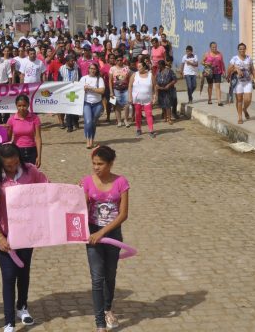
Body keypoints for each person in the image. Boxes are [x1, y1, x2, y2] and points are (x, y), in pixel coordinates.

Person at [0, 143, 49, 332]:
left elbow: (48, 190)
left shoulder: (31, 171)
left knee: (23, 272)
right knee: (8, 276)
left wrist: (74, 192)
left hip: (27, 232)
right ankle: (9, 321)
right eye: (8, 165)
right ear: (0, 163)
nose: (13, 167)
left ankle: (22, 306)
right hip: (4, 234)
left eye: (16, 163)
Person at [81, 146, 129, 332]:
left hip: (113, 235)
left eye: (100, 164)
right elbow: (80, 207)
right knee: (97, 278)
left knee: (110, 275)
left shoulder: (121, 182)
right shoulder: (87, 181)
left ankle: (108, 308)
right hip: (92, 234)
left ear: (110, 164)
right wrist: (76, 195)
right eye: (94, 163)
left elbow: (123, 214)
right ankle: (100, 322)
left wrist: (102, 233)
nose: (96, 167)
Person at [226, 43, 255, 124]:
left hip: (247, 81)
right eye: (240, 49)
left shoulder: (249, 58)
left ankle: (244, 109)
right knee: (239, 99)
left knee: (248, 99)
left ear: (245, 49)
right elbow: (229, 70)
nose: (242, 50)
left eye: (243, 48)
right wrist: (235, 69)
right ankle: (240, 117)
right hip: (238, 82)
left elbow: (252, 70)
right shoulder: (234, 59)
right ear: (238, 50)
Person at [5, 94, 42, 167]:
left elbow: (38, 138)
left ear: (28, 105)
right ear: (16, 106)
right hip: (16, 151)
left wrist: (39, 156)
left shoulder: (35, 118)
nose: (22, 108)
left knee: (31, 173)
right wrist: (3, 129)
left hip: (32, 151)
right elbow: (8, 139)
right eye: (19, 106)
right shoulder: (11, 119)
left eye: (24, 105)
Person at [128, 58, 157, 138]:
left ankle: (151, 130)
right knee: (138, 114)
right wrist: (130, 96)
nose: (138, 68)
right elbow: (130, 85)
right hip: (137, 99)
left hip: (147, 99)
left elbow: (155, 86)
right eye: (137, 66)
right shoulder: (134, 75)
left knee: (149, 114)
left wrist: (155, 96)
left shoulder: (150, 75)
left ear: (144, 67)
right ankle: (138, 129)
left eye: (140, 66)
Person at [80, 63, 106, 149]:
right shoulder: (83, 78)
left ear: (97, 70)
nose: (92, 70)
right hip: (86, 103)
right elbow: (78, 90)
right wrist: (83, 89)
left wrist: (90, 88)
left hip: (97, 103)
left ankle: (92, 139)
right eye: (91, 68)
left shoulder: (100, 79)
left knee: (93, 122)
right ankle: (88, 140)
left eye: (94, 69)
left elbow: (102, 91)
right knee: (88, 122)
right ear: (88, 69)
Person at [59, 54, 81, 132]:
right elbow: (59, 80)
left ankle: (75, 121)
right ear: (67, 61)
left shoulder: (77, 68)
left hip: (74, 91)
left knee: (74, 108)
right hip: (65, 91)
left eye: (74, 61)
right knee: (68, 108)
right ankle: (69, 126)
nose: (73, 62)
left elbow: (80, 78)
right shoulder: (61, 68)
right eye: (71, 61)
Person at [108, 55, 131, 128]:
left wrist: (130, 89)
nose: (119, 61)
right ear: (115, 61)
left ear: (123, 60)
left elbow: (130, 79)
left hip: (125, 89)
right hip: (116, 89)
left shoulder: (127, 68)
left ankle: (126, 120)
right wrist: (111, 92)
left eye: (121, 60)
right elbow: (110, 81)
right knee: (117, 105)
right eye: (117, 60)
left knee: (127, 104)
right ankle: (119, 121)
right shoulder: (112, 68)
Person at [155, 60, 177, 124]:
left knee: (168, 104)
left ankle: (169, 119)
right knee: (163, 104)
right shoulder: (158, 72)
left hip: (168, 90)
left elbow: (175, 80)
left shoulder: (169, 71)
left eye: (158, 65)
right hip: (160, 90)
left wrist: (169, 85)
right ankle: (165, 117)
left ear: (162, 65)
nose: (157, 66)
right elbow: (156, 80)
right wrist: (157, 86)